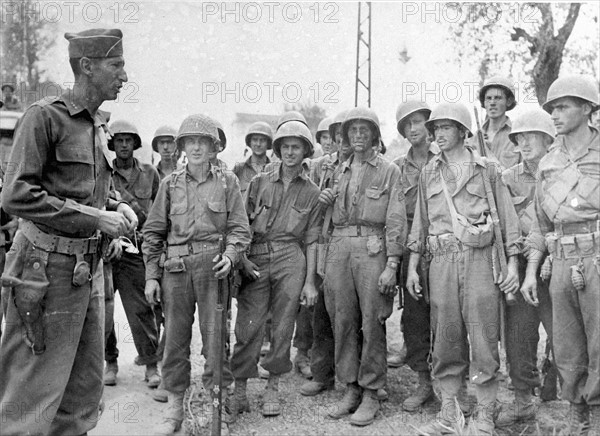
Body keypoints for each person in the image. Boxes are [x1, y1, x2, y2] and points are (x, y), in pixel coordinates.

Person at [0, 28, 137, 435]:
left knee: (80, 399)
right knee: (29, 401)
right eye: (117, 66)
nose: (124, 76)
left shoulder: (95, 125)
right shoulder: (45, 116)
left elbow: (88, 192)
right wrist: (96, 218)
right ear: (87, 66)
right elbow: (16, 195)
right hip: (43, 273)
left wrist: (115, 205)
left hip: (86, 273)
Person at [405, 102, 520, 435]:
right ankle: (449, 413)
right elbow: (420, 224)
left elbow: (507, 219)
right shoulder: (430, 170)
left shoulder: (487, 168)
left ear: (462, 131)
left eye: (446, 128)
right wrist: (413, 266)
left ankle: (485, 411)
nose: (439, 134)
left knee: (483, 334)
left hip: (479, 259)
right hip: (440, 260)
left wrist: (512, 262)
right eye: (436, 128)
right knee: (445, 337)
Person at [143, 114, 250, 435]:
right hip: (175, 270)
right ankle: (175, 406)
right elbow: (152, 233)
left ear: (214, 147)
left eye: (203, 142)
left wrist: (231, 256)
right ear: (182, 148)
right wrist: (151, 276)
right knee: (175, 339)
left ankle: (217, 403)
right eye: (191, 142)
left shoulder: (227, 182)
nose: (197, 148)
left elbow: (239, 229)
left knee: (216, 340)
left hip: (213, 270)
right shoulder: (169, 184)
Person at [521, 75, 600, 435]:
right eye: (552, 107)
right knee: (567, 343)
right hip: (562, 261)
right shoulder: (548, 163)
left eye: (563, 106)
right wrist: (530, 271)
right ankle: (577, 412)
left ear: (587, 109)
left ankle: (596, 413)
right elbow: (539, 224)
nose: (554, 113)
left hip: (597, 257)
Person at [319, 107, 407, 426]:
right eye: (352, 130)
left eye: (363, 130)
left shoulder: (388, 170)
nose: (357, 135)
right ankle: (351, 388)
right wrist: (325, 200)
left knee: (372, 319)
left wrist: (392, 263)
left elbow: (396, 218)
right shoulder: (337, 170)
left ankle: (371, 391)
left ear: (374, 135)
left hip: (372, 247)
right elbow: (322, 218)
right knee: (341, 318)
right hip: (339, 245)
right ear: (344, 136)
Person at [229, 120, 322, 419]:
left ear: (306, 151)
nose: (290, 152)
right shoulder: (260, 181)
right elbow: (240, 223)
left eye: (296, 147)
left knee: (283, 326)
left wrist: (310, 283)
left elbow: (312, 239)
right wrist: (241, 259)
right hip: (257, 254)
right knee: (249, 323)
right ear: (277, 150)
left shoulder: (312, 191)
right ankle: (240, 388)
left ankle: (273, 387)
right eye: (285, 147)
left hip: (290, 258)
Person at [494, 108, 556, 427]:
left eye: (532, 135)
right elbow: (505, 227)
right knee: (519, 334)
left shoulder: (561, 172)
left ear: (549, 139)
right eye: (519, 137)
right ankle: (522, 400)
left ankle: (568, 388)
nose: (525, 142)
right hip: (521, 264)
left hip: (557, 263)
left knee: (564, 335)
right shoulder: (507, 178)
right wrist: (512, 265)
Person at [103, 120, 162, 388]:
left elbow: (162, 212)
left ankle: (151, 364)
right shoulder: (103, 172)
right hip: (107, 248)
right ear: (112, 144)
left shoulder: (150, 173)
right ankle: (110, 362)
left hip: (137, 249)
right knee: (104, 309)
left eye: (128, 140)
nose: (124, 145)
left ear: (135, 144)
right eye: (119, 140)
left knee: (141, 308)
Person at [391, 100, 438, 412]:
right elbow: (394, 213)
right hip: (413, 248)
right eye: (408, 125)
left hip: (446, 243)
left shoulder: (446, 158)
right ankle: (424, 382)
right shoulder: (397, 167)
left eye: (418, 121)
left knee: (448, 314)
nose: (413, 129)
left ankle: (450, 384)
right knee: (415, 316)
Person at [471, 76, 520, 170]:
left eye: (498, 98)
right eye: (488, 98)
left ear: (509, 101)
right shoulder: (474, 139)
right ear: (484, 103)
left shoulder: (517, 135)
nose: (492, 102)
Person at [232, 121, 273, 196]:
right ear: (249, 142)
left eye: (262, 140)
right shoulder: (239, 169)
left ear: (268, 143)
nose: (258, 144)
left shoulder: (274, 170)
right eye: (255, 139)